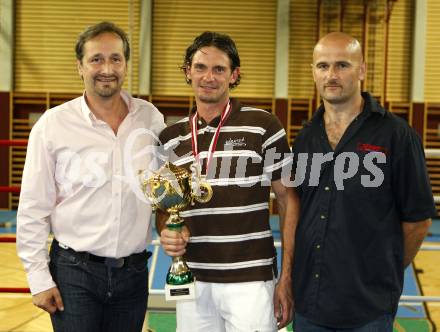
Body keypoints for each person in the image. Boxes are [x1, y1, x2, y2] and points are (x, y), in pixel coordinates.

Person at [16, 21, 165, 332]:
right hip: (74, 274)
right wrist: (38, 279)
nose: (106, 68)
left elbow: (165, 189)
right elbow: (33, 207)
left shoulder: (151, 119)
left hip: (133, 275)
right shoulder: (52, 125)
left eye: (115, 58)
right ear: (79, 67)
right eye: (96, 59)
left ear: (125, 64)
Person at [290, 31, 436, 331]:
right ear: (313, 72)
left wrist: (382, 271)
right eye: (322, 66)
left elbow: (418, 221)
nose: (331, 74)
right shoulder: (305, 137)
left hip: (369, 308)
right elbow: (301, 209)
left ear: (362, 70)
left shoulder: (396, 136)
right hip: (309, 304)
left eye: (342, 65)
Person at [157, 31, 297, 331]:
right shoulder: (170, 138)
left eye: (219, 69)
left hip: (251, 282)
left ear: (234, 75)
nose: (209, 77)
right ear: (187, 72)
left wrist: (286, 277)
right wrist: (167, 231)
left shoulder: (263, 125)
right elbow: (165, 208)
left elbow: (289, 199)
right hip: (193, 279)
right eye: (200, 67)